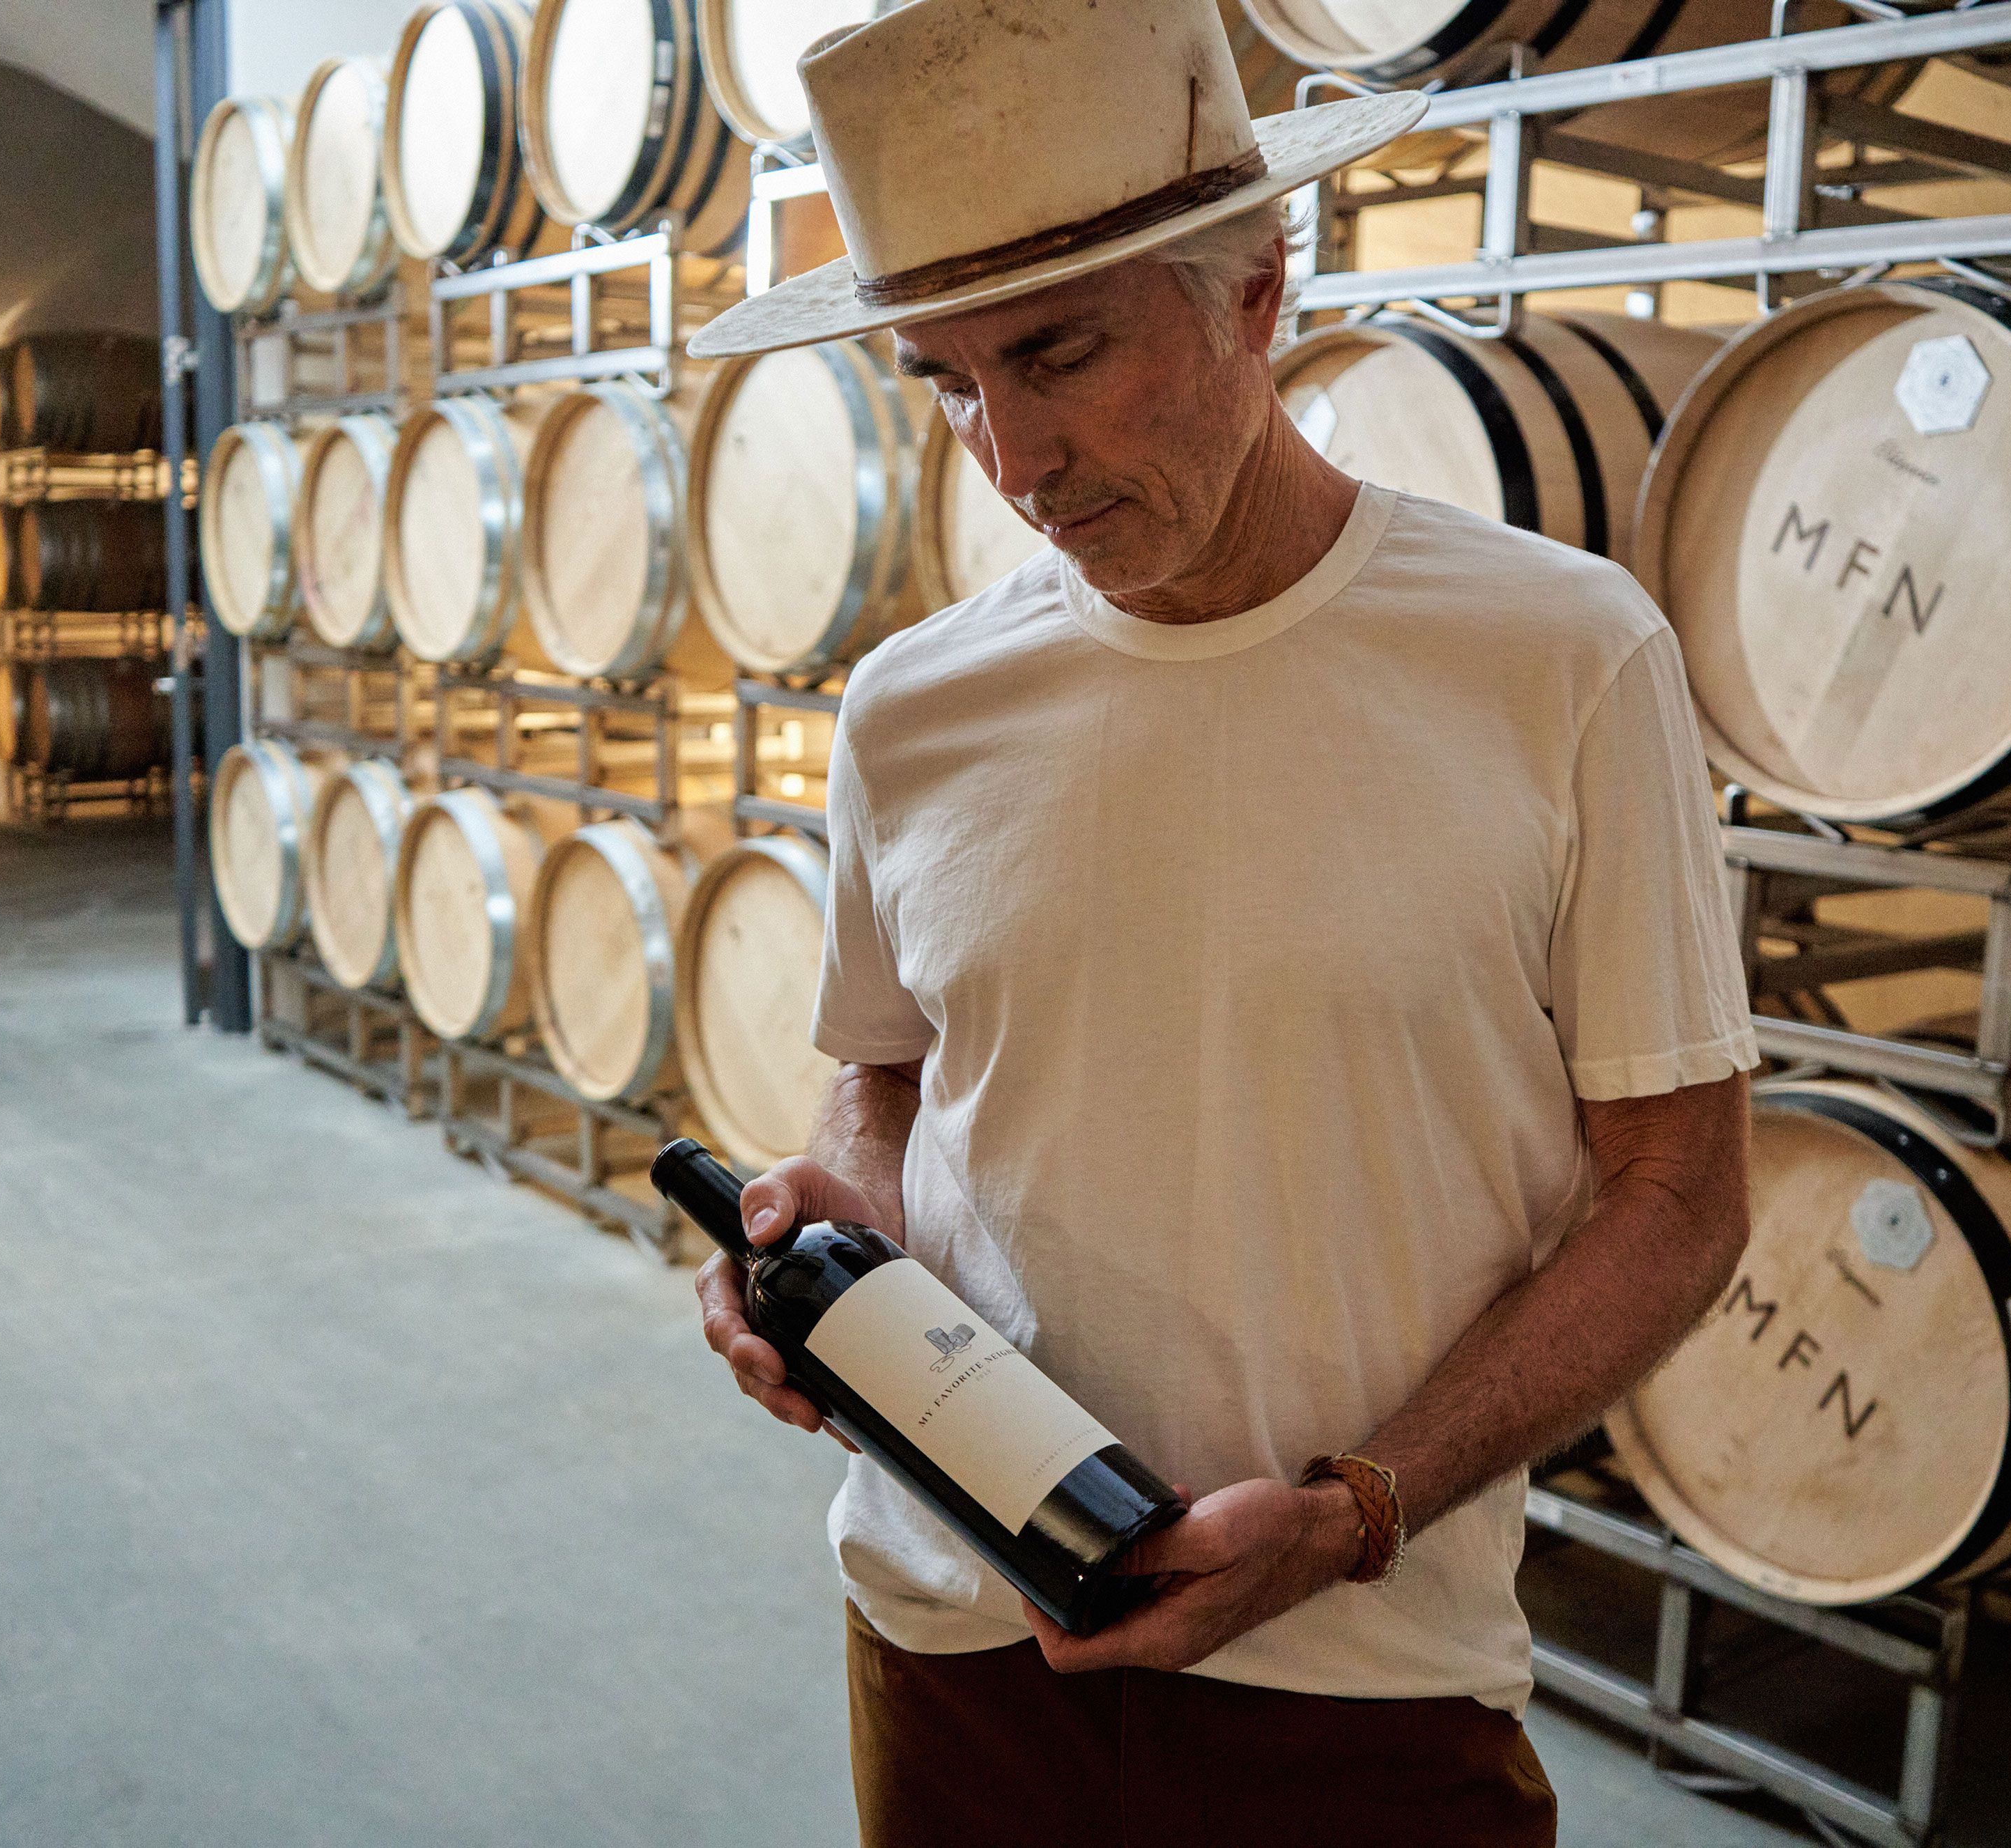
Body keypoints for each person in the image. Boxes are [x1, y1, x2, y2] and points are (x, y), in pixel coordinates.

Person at [684, 2, 1756, 1840]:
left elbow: (1680, 1195)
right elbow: (885, 1077)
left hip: (1360, 1677)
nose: (1013, 460)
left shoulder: (1561, 660)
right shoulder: (912, 705)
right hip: (950, 1641)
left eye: (1061, 353)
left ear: (1256, 294)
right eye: (948, 382)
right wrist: (836, 1209)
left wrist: (1355, 1510)